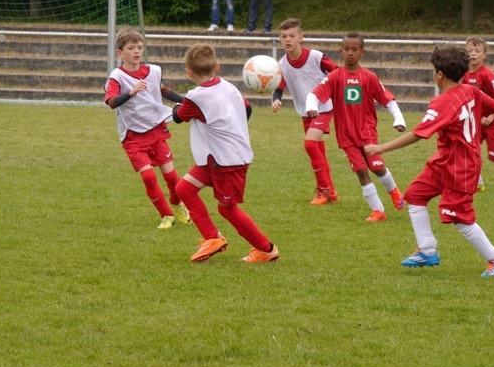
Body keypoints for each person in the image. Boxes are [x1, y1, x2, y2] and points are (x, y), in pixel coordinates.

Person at [365, 44, 494, 277]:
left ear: (440, 74)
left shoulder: (443, 102)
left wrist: (381, 147)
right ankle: (427, 250)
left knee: (460, 217)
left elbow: (417, 134)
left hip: (461, 167)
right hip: (444, 161)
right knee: (415, 195)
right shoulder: (470, 90)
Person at [173, 43, 279, 263]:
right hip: (215, 159)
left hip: (228, 162)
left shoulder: (195, 97)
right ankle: (212, 238)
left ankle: (267, 250)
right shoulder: (228, 87)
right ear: (217, 67)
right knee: (184, 189)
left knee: (228, 210)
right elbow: (247, 108)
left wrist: (168, 97)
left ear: (189, 72)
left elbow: (178, 116)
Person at [306, 32, 406, 222]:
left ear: (362, 52)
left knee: (377, 168)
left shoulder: (369, 77)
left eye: (354, 49)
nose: (350, 53)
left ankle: (394, 191)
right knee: (361, 171)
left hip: (367, 134)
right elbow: (314, 94)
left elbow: (388, 100)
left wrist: (399, 120)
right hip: (347, 136)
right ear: (341, 51)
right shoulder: (335, 77)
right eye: (346, 49)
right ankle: (378, 211)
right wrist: (311, 107)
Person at [104, 29, 191, 229]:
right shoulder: (117, 77)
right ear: (120, 53)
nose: (136, 51)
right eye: (131, 48)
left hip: (155, 130)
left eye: (139, 47)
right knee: (149, 177)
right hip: (132, 135)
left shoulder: (153, 71)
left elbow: (162, 90)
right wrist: (131, 92)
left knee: (171, 177)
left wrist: (186, 101)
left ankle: (177, 203)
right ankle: (166, 215)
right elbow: (111, 102)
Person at [272, 18, 339, 205]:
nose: (288, 40)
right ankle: (331, 191)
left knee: (310, 144)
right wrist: (276, 99)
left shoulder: (316, 57)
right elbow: (279, 87)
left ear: (301, 37)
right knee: (318, 150)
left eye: (292, 36)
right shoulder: (282, 64)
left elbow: (337, 72)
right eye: (284, 36)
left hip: (323, 107)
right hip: (304, 111)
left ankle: (323, 190)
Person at [462, 36, 494, 192]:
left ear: (484, 55)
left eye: (477, 51)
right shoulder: (464, 75)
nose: (473, 54)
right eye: (470, 50)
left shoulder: (489, 75)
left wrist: (491, 116)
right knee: (467, 149)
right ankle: (477, 182)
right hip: (476, 121)